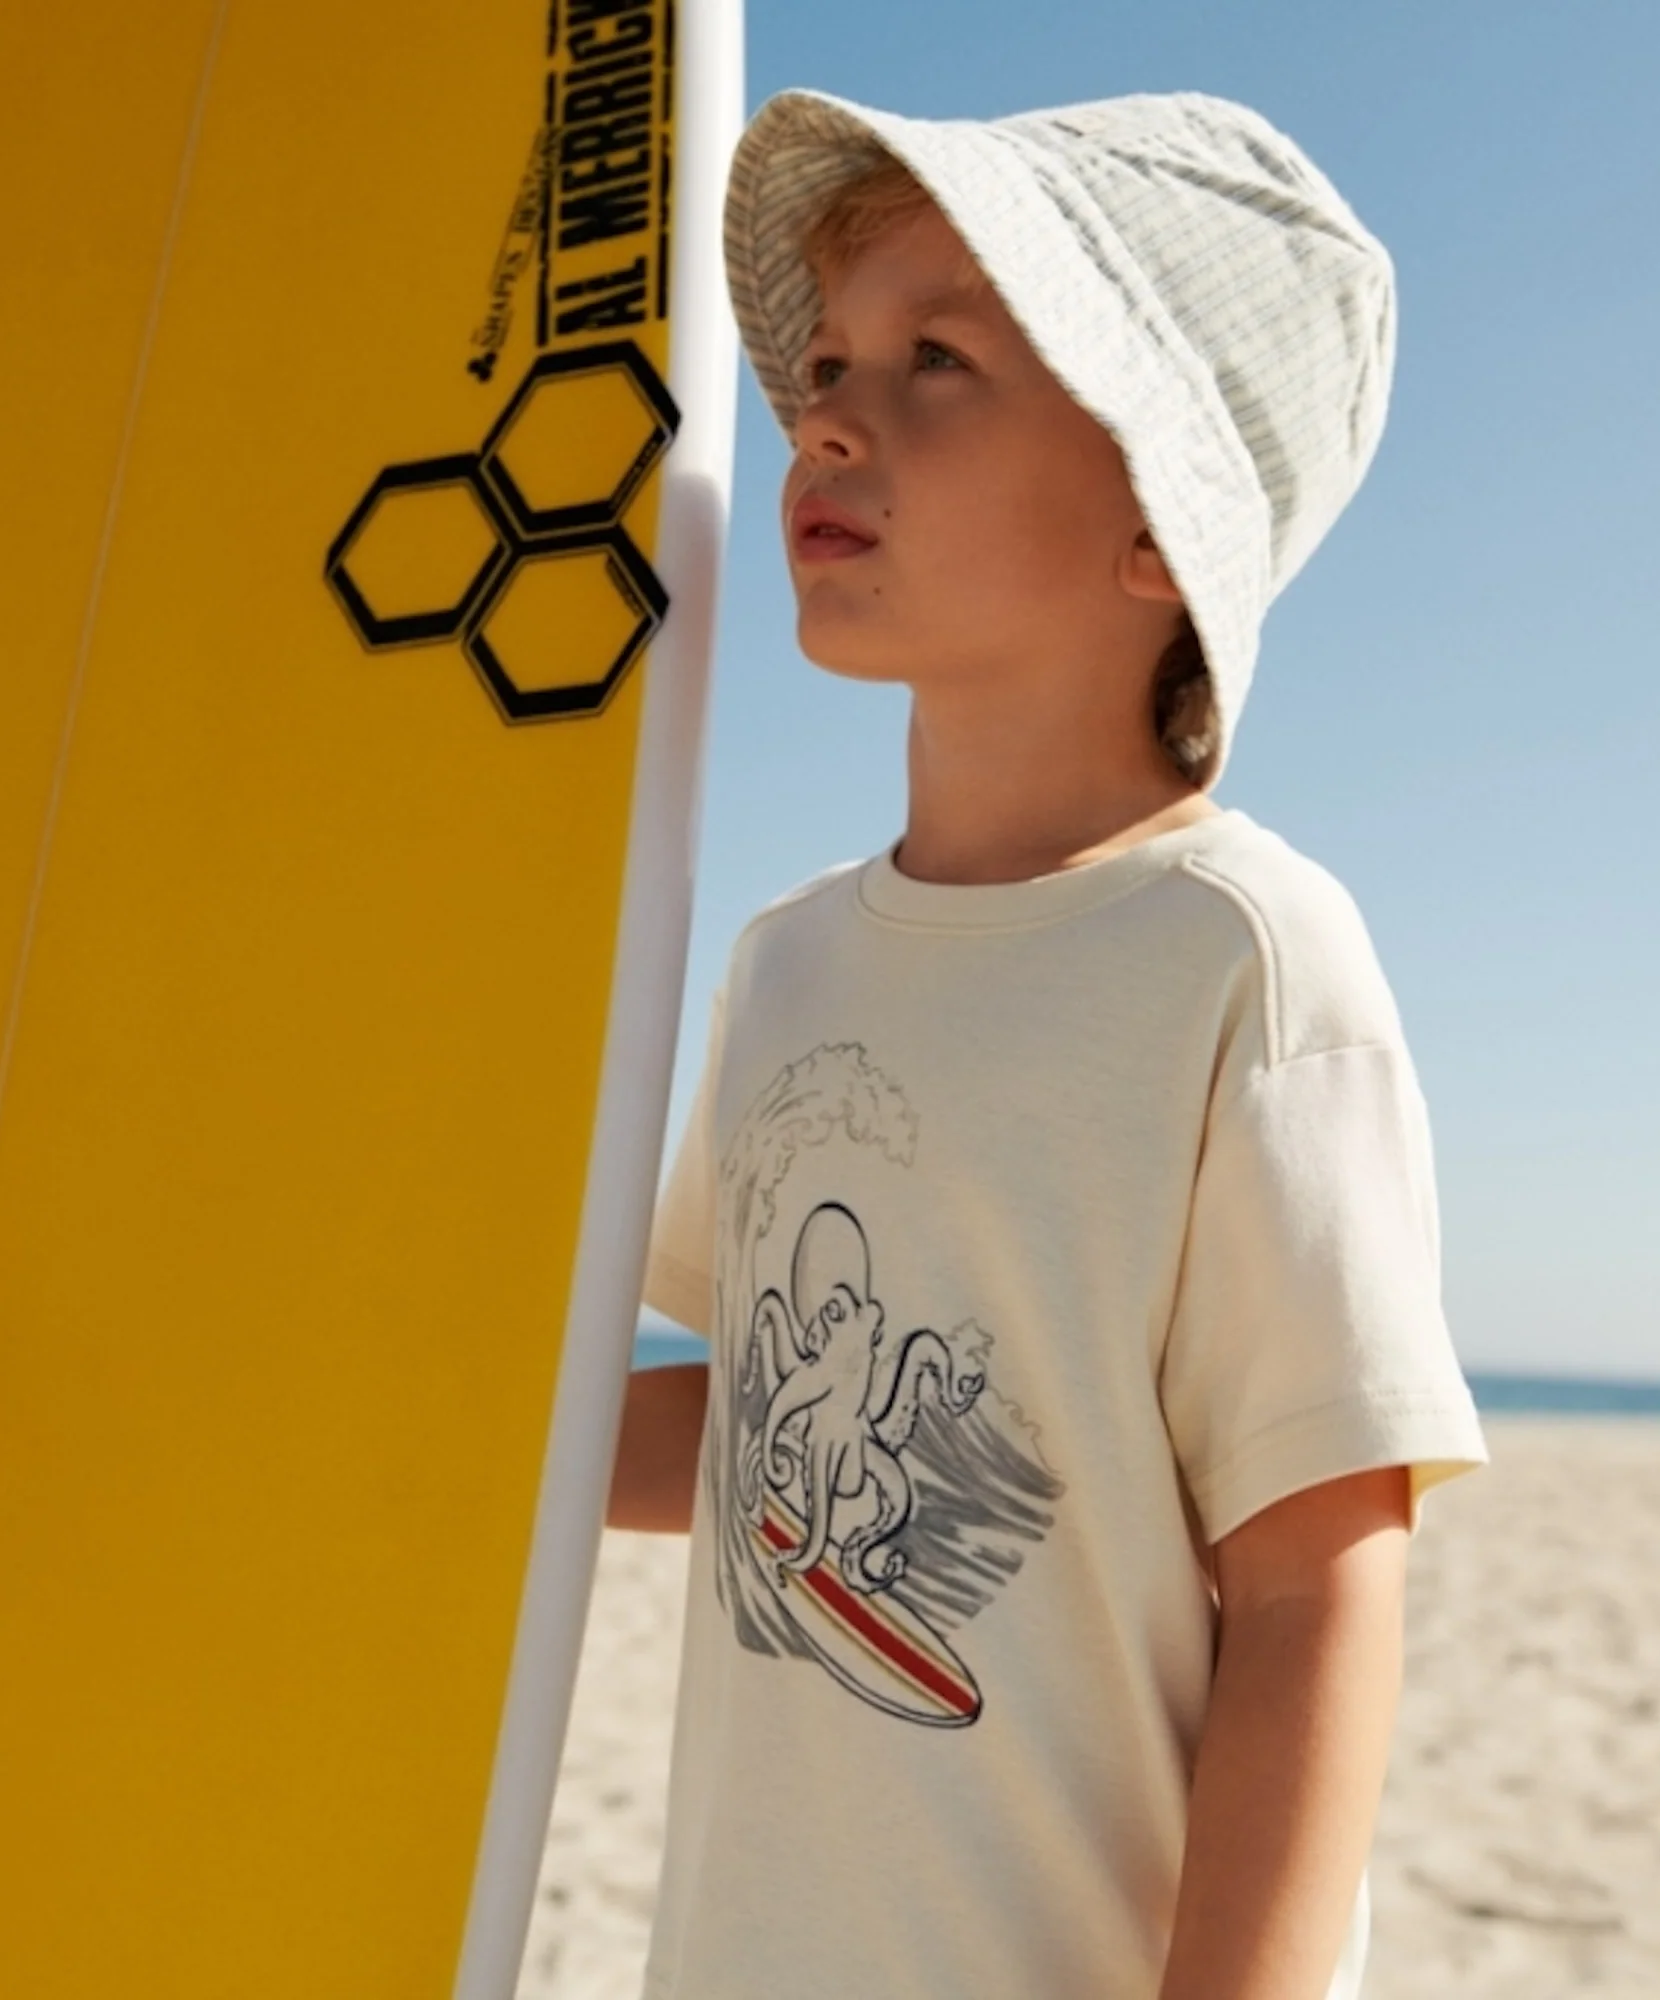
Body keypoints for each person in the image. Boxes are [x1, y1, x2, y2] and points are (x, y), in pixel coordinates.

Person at [608, 88, 1487, 2000]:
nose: (830, 420)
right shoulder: (787, 964)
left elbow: (1317, 1579)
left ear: (1162, 525)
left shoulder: (1240, 959)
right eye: (826, 367)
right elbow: (745, 1411)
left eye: (939, 361)